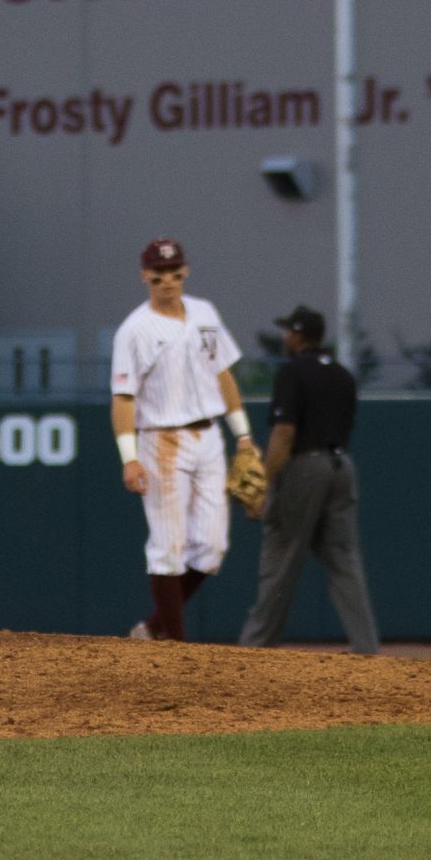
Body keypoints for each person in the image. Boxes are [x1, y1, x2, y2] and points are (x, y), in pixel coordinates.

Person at [110, 236, 251, 641]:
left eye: (174, 274)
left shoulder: (205, 311)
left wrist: (243, 436)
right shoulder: (134, 330)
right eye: (159, 276)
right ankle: (176, 643)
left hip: (209, 437)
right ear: (145, 276)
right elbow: (122, 398)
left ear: (185, 271)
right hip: (162, 440)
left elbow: (223, 373)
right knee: (168, 546)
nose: (168, 282)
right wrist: (129, 456)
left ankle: (153, 628)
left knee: (211, 548)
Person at [238, 305, 380, 655]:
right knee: (344, 559)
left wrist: (262, 487)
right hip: (342, 466)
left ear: (298, 335)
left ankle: (255, 649)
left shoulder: (291, 372)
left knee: (281, 557)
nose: (285, 336)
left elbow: (284, 434)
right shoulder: (344, 375)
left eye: (288, 330)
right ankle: (366, 650)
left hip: (306, 466)